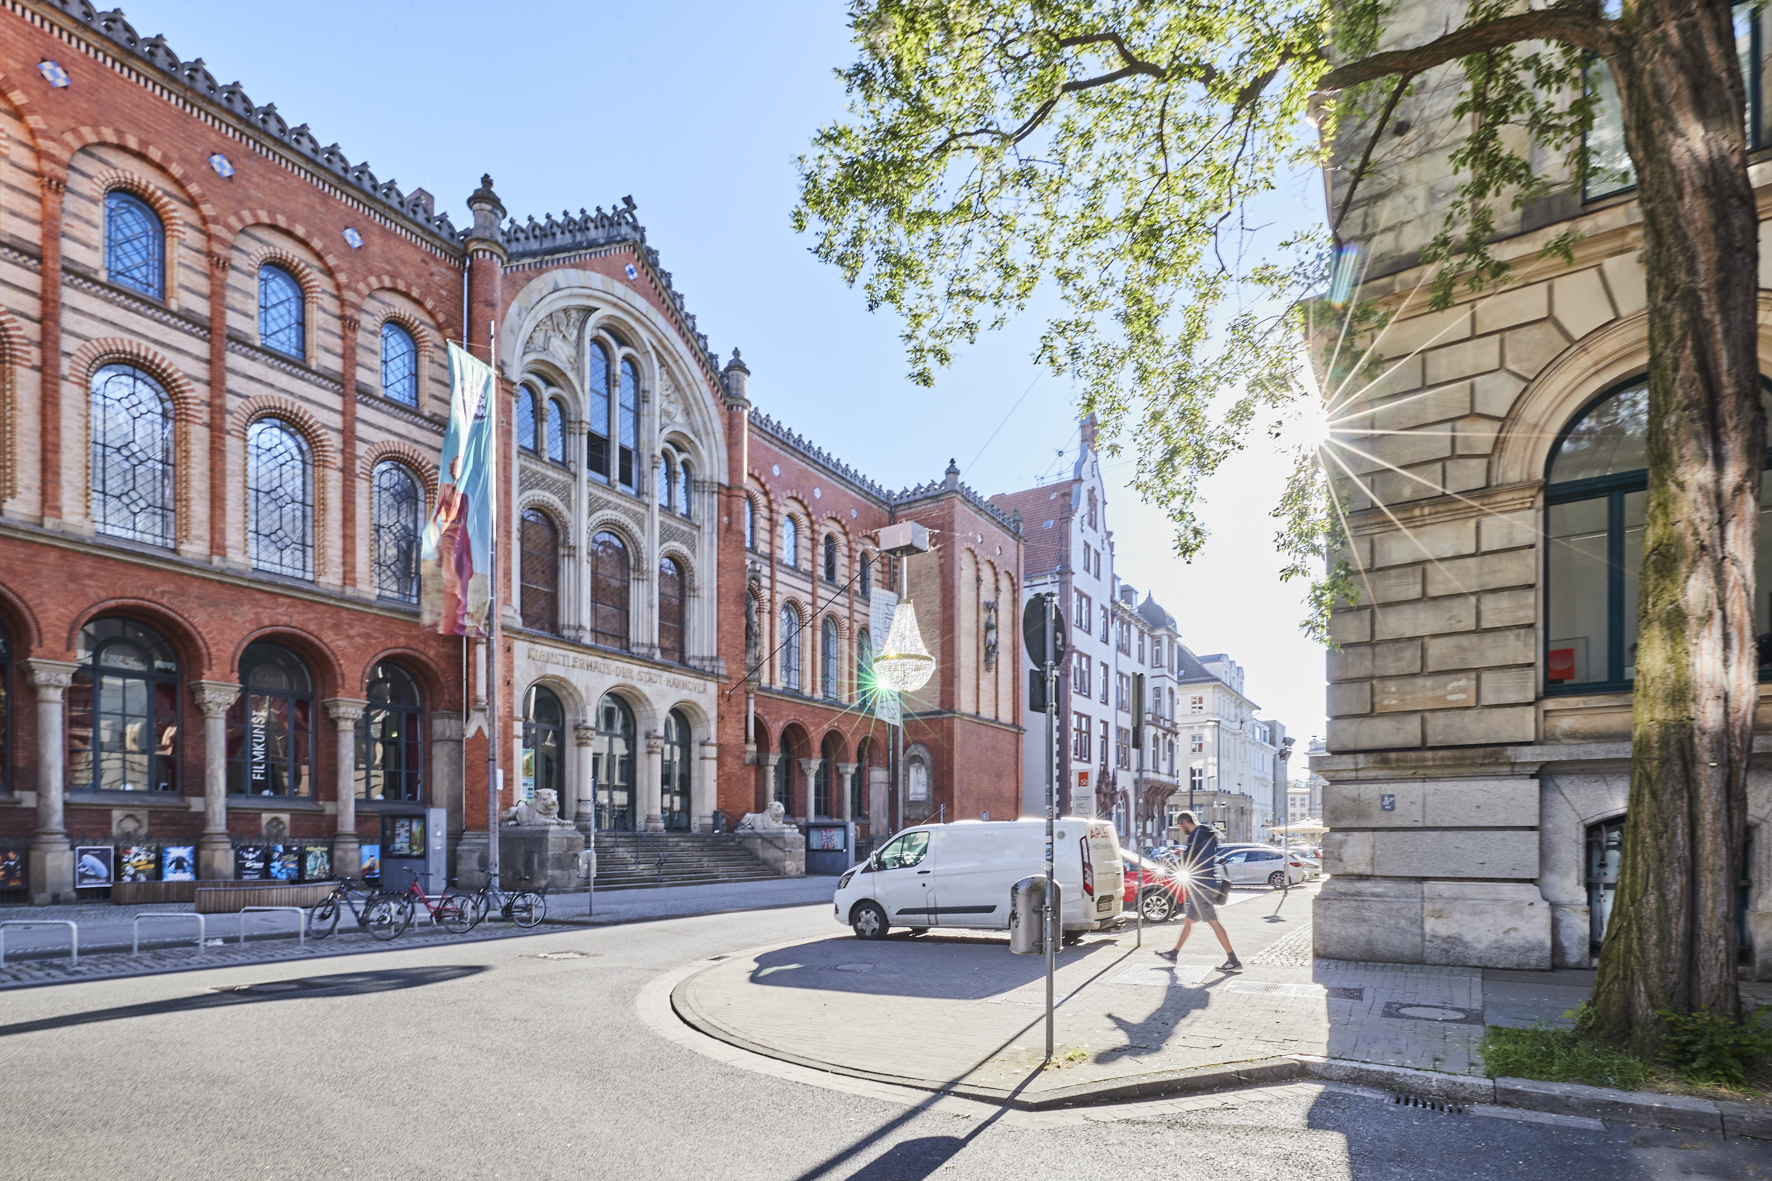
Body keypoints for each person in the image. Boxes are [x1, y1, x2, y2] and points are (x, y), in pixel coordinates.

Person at [1156, 810, 1241, 971]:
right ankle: (1173, 954)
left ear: (1184, 823)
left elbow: (1191, 860)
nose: (1181, 830)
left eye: (1180, 826)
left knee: (1213, 922)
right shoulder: (1206, 833)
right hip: (1202, 885)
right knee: (1188, 921)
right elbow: (1199, 856)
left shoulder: (1196, 836)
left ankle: (1233, 959)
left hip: (1202, 886)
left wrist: (1169, 867)